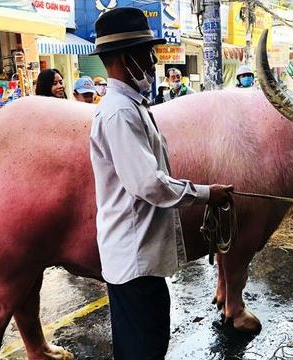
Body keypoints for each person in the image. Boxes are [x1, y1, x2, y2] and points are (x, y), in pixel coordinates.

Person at [88, 7, 233, 359]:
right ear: (127, 57)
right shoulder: (121, 112)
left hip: (139, 258)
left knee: (141, 344)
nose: (153, 61)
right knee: (145, 348)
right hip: (134, 259)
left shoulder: (131, 106)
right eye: (147, 53)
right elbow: (149, 184)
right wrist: (205, 194)